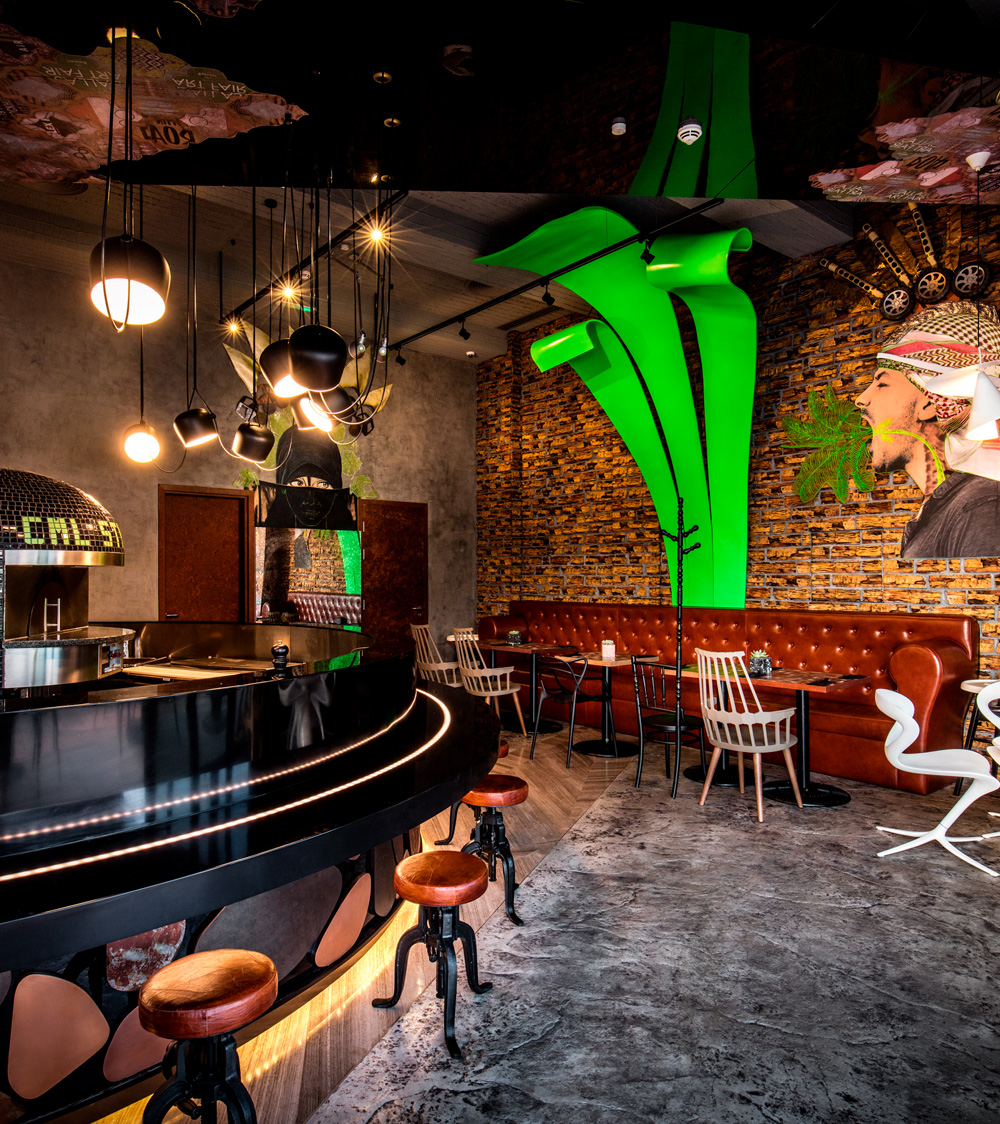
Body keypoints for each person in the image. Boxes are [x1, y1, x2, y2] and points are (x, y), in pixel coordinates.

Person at [854, 301, 1000, 558]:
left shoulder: (978, 507)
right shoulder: (948, 507)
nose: (861, 399)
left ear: (928, 403)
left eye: (882, 383)